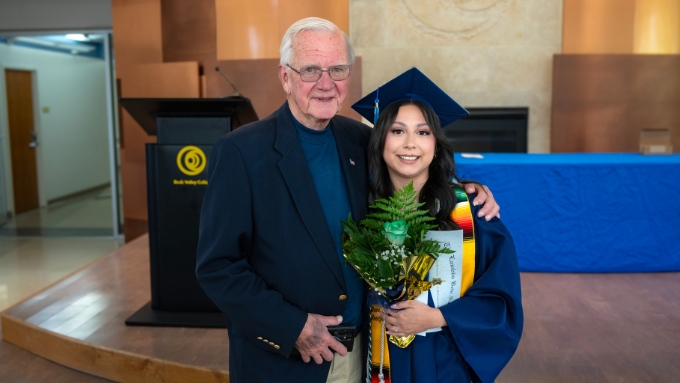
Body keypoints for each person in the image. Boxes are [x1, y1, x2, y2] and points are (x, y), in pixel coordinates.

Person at [195, 18, 499, 383]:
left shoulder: (359, 139)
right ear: (285, 76)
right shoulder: (241, 152)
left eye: (337, 69)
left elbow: (410, 175)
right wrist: (293, 327)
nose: (326, 84)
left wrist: (464, 188)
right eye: (310, 69)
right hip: (286, 361)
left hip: (366, 352)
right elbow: (218, 266)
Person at [351, 67, 523, 383]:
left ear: (436, 143)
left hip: (445, 362)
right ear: (381, 138)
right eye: (398, 131)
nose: (410, 144)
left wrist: (438, 316)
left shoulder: (469, 212)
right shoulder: (360, 207)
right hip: (378, 357)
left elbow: (501, 299)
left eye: (423, 132)